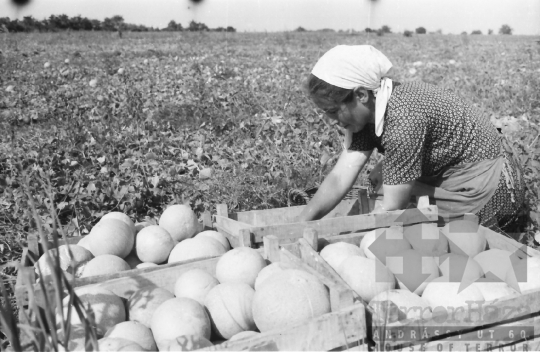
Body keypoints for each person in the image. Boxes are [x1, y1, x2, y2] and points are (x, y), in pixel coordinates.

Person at [297, 45, 525, 232]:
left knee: (390, 205)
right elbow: (339, 177)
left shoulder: (403, 119)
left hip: (492, 189)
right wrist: (299, 224)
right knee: (380, 180)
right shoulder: (370, 110)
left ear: (360, 95)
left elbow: (392, 207)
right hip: (453, 171)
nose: (330, 121)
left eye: (333, 111)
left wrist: (356, 236)